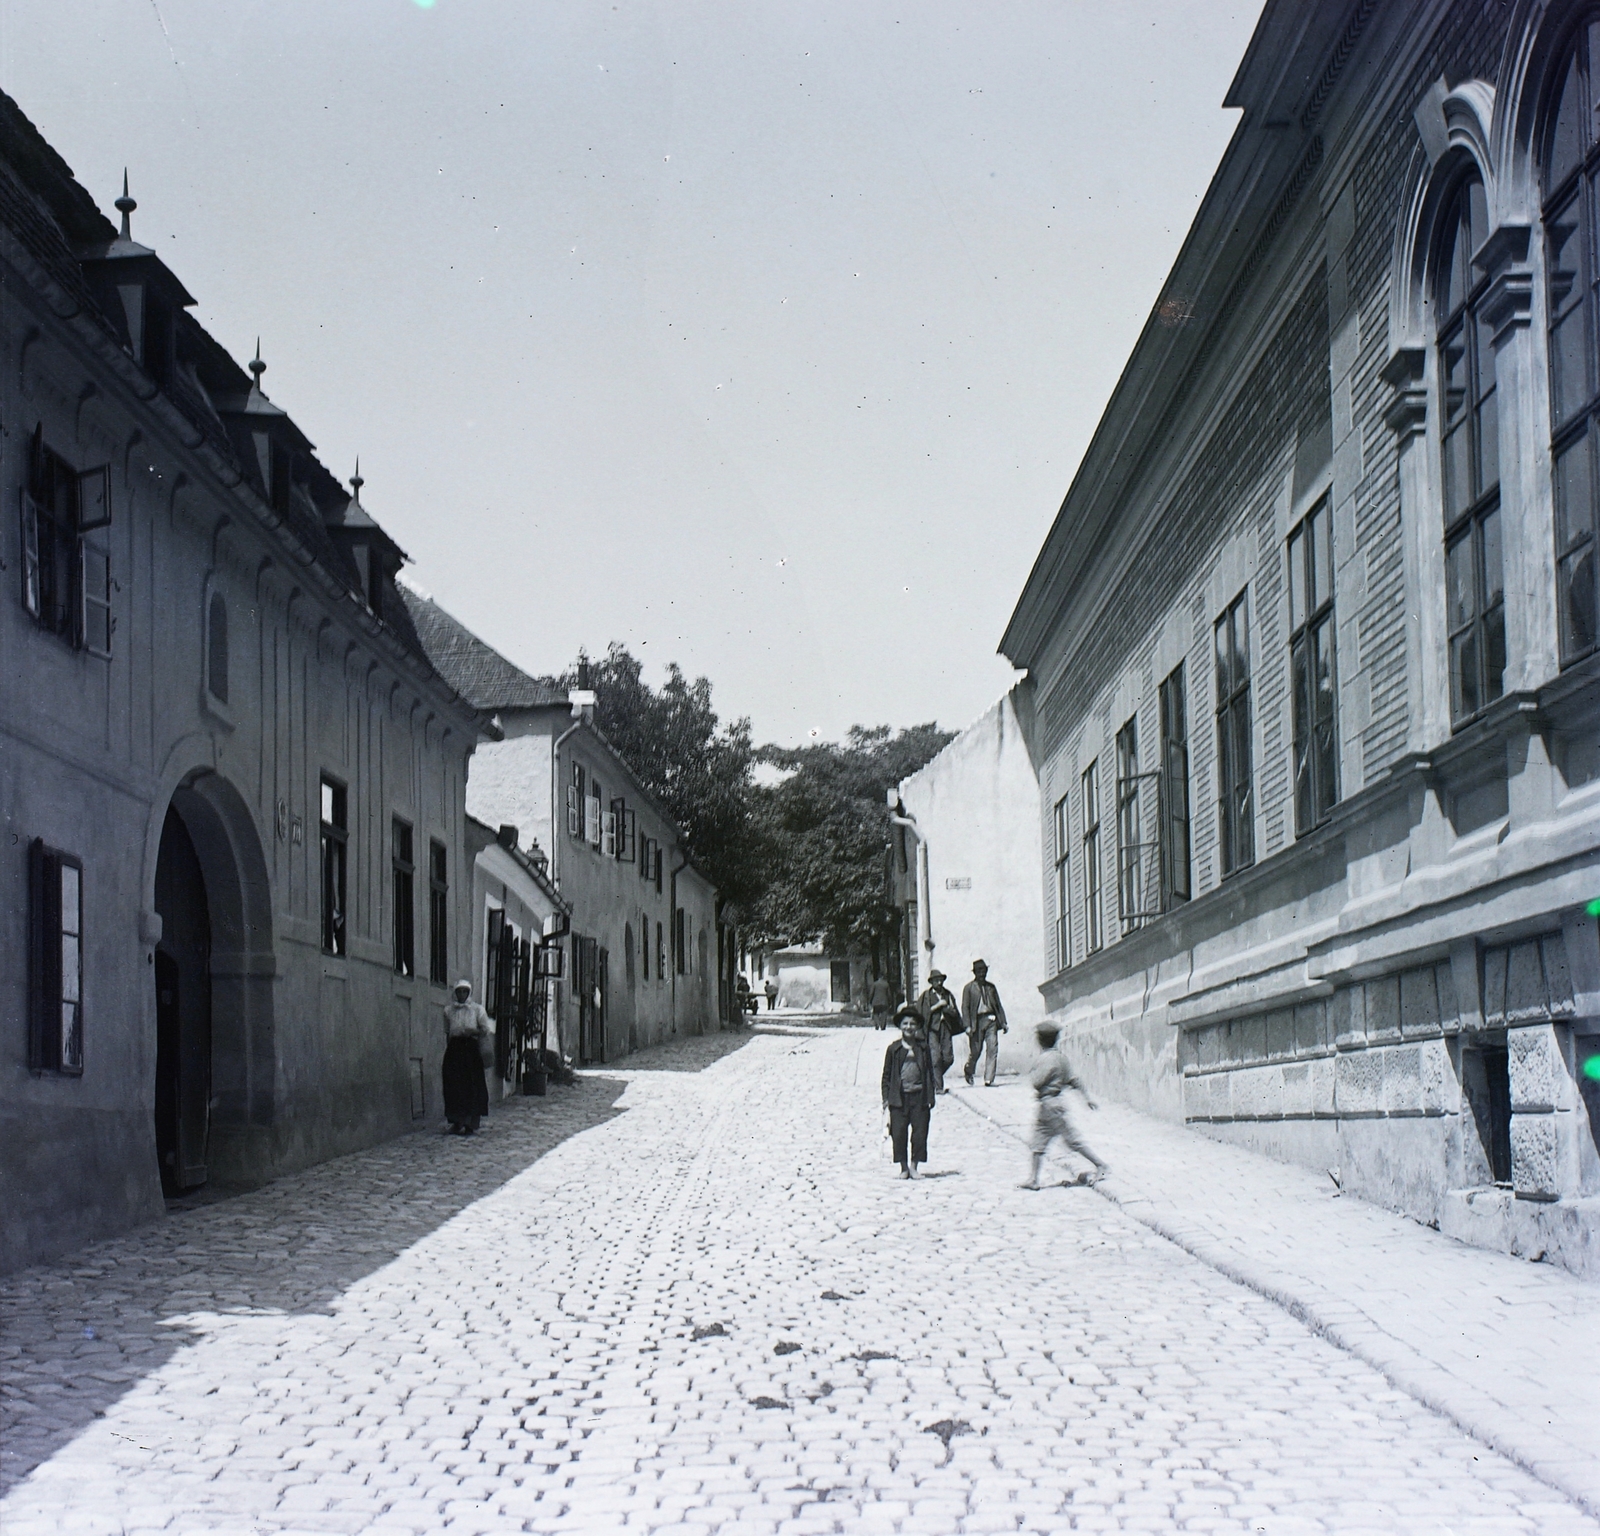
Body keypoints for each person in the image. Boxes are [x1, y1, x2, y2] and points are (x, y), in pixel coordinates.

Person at [1022, 1022, 1111, 1189]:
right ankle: (1033, 1179)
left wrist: (1033, 1072)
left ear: (1040, 1040)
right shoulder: (1061, 1058)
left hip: (1049, 1105)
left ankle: (1101, 1165)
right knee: (1038, 1141)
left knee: (1070, 1141)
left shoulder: (1044, 1059)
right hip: (1053, 1105)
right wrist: (1087, 1098)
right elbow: (1074, 1080)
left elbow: (1036, 1082)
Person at [881, 1005, 937, 1178]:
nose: (909, 1027)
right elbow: (886, 1076)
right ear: (900, 1026)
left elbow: (929, 1072)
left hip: (919, 1096)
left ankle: (914, 1166)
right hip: (899, 1098)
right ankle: (904, 1168)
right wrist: (885, 1099)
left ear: (917, 1026)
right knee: (898, 1133)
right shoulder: (893, 1049)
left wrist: (931, 1096)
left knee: (920, 1133)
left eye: (913, 1024)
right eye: (905, 1024)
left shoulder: (923, 1048)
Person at [441, 979, 492, 1135]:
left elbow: (485, 1030)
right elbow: (447, 1032)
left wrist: (472, 1032)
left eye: (465, 991)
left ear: (469, 993)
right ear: (455, 993)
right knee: (453, 1085)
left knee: (472, 1085)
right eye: (459, 991)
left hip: (471, 1049)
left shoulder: (477, 1010)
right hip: (455, 1049)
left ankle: (471, 1123)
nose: (462, 994)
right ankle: (456, 1121)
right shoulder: (448, 1010)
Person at [961, 959, 1008, 1086]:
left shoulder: (991, 987)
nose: (982, 974)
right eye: (979, 971)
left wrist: (1003, 1022)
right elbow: (965, 1008)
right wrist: (967, 1026)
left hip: (991, 1020)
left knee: (992, 1048)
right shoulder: (969, 988)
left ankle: (989, 1079)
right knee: (976, 1051)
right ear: (975, 973)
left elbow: (998, 1005)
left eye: (984, 971)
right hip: (976, 1022)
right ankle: (969, 1070)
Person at [916, 967, 963, 1093]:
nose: (939, 983)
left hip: (945, 1027)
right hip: (931, 1029)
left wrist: (946, 1007)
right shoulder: (926, 996)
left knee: (948, 1058)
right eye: (936, 980)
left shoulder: (947, 994)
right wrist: (937, 1006)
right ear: (931, 982)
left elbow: (955, 1012)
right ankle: (938, 1087)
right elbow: (921, 1013)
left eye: (941, 980)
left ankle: (932, 1077)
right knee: (935, 1058)